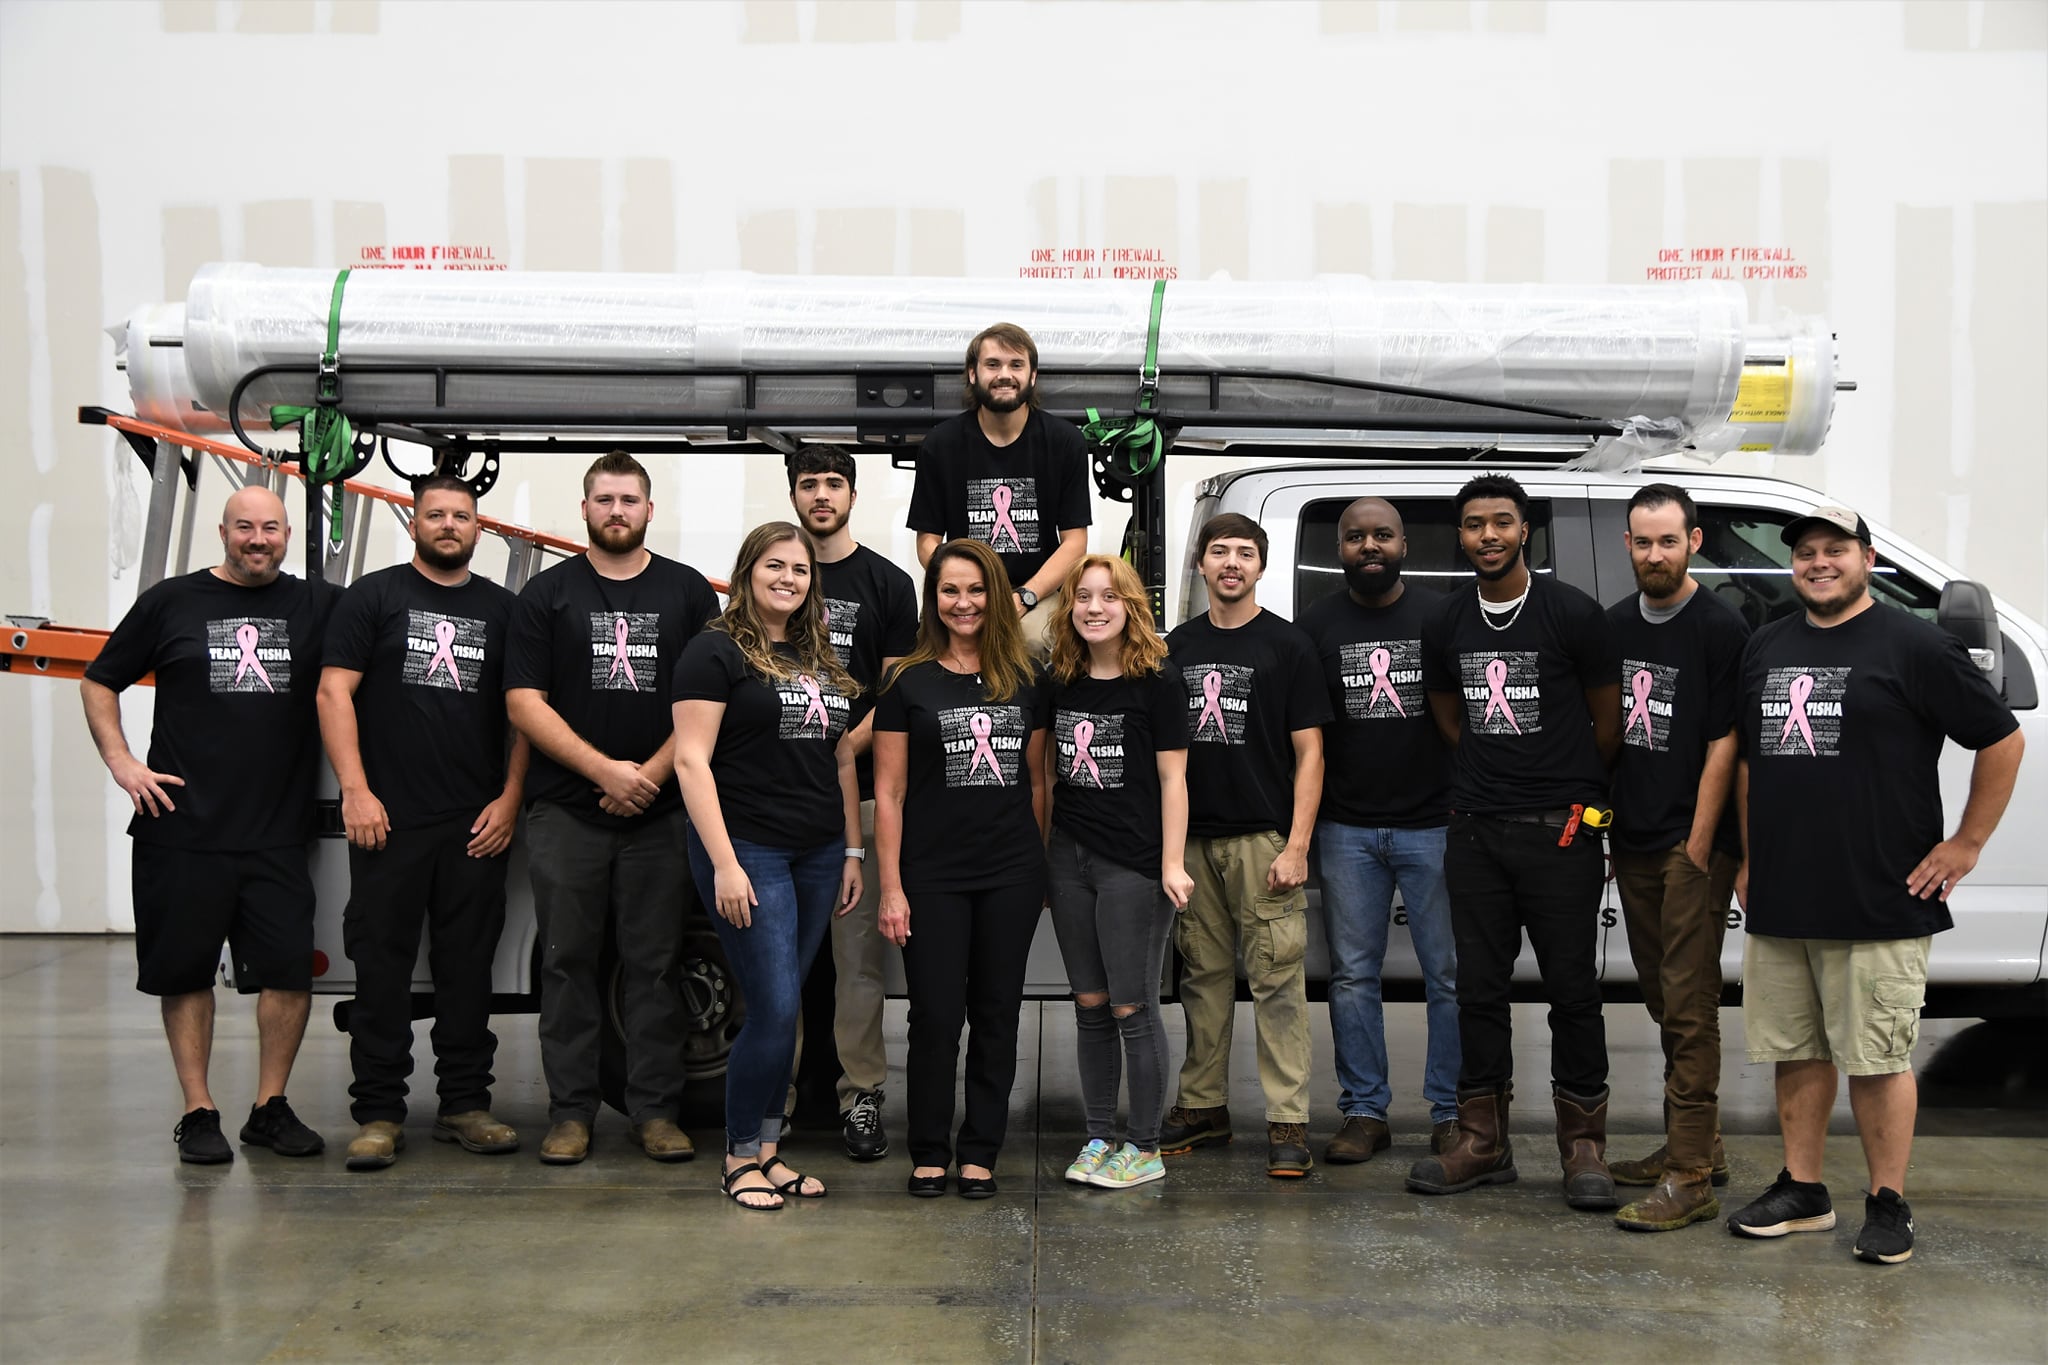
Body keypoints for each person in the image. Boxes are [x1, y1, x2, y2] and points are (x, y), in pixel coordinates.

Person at [1726, 506, 2022, 1265]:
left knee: (1879, 1055)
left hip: (1882, 893)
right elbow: (1756, 766)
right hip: (1785, 892)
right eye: (1806, 552)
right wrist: (1753, 859)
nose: (1819, 562)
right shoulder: (1767, 645)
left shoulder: (1915, 644)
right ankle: (1803, 1188)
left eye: (1835, 550)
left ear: (1865, 559)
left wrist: (1967, 842)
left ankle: (1889, 1201)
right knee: (1795, 1047)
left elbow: (2002, 737)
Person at [80, 486, 340, 1164]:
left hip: (277, 832)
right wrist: (121, 761)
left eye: (271, 528)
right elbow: (99, 679)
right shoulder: (172, 601)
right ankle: (198, 1110)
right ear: (223, 531)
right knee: (185, 973)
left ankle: (269, 1106)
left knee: (289, 973)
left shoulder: (316, 603)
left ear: (287, 534)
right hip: (181, 828)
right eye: (245, 527)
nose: (259, 538)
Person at [1407, 473, 1621, 1210]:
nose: (1488, 535)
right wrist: (1488, 773)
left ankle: (1583, 1145)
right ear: (1460, 535)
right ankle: (1481, 1140)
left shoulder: (1572, 613)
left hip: (1560, 830)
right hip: (1473, 829)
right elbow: (1446, 710)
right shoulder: (1446, 621)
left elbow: (1609, 722)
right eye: (1473, 524)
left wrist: (1559, 784)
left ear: (1524, 529)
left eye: (1501, 521)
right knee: (1479, 988)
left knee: (1574, 988)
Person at [505, 452, 719, 1166]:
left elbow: (707, 703)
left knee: (654, 964)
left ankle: (655, 1112)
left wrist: (648, 777)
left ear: (650, 510)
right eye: (605, 498)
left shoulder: (688, 593)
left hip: (660, 814)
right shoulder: (547, 594)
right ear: (586, 508)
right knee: (567, 963)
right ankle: (570, 1112)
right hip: (566, 812)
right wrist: (603, 770)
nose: (617, 509)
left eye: (630, 498)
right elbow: (523, 702)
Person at [317, 476, 530, 1171]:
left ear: (478, 526)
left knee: (468, 971)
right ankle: (379, 1114)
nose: (448, 524)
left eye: (460, 515)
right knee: (379, 971)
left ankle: (466, 1105)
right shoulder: (372, 597)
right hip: (388, 822)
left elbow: (526, 712)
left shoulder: (505, 610)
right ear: (413, 523)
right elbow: (333, 691)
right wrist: (355, 790)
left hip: (475, 825)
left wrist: (510, 798)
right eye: (435, 514)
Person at [674, 522, 864, 1211]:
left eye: (801, 570)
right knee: (776, 1004)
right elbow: (690, 760)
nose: (789, 578)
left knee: (786, 1010)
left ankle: (769, 1151)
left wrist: (850, 849)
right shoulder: (714, 650)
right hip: (748, 849)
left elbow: (840, 756)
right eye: (775, 566)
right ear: (747, 570)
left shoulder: (817, 654)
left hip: (816, 851)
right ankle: (737, 1156)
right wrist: (725, 864)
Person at [874, 539, 1050, 1199]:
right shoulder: (906, 681)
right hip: (931, 875)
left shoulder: (1027, 676)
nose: (965, 602)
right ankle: (929, 1149)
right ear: (934, 598)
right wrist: (892, 885)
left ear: (994, 594)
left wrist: (1040, 864)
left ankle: (979, 1150)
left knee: (998, 1011)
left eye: (976, 589)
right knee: (937, 1015)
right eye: (950, 590)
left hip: (1010, 872)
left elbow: (1037, 782)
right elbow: (888, 793)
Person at [1159, 514, 1330, 1179]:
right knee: (1200, 978)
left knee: (1278, 980)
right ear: (1200, 564)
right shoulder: (1175, 646)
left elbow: (1310, 752)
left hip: (1263, 839)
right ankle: (1204, 1106)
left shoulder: (1288, 646)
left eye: (1245, 553)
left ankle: (1288, 1119)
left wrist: (1297, 845)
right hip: (1194, 840)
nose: (1231, 562)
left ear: (1260, 566)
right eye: (1219, 551)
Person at [1601, 484, 1750, 1231]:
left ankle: (1689, 1177)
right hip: (1631, 837)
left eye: (1667, 540)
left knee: (1689, 1007)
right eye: (1640, 541)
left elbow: (1727, 739)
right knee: (1665, 995)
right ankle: (1702, 1144)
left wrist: (1699, 842)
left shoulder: (1720, 627)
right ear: (1626, 544)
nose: (1653, 554)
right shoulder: (1617, 623)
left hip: (1691, 845)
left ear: (1693, 540)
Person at [1297, 497, 1458, 1166]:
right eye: (1356, 535)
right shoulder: (1316, 627)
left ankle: (1453, 1112)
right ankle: (1365, 1111)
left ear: (1403, 545)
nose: (1370, 544)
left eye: (1382, 534)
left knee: (1449, 976)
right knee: (1352, 976)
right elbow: (1304, 739)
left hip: (1436, 823)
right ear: (1340, 548)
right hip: (1346, 827)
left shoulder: (1440, 617)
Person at [1045, 554, 1193, 1192]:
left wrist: (1171, 863)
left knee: (1134, 1006)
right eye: (1083, 597)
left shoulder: (1158, 681)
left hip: (1132, 865)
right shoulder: (1060, 681)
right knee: (1090, 1004)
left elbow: (1174, 778)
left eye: (1109, 597)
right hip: (1068, 859)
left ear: (1132, 607)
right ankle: (1100, 1136)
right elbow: (1046, 774)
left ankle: (1146, 1145)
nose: (1095, 607)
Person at [787, 447, 917, 1162]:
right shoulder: (770, 573)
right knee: (779, 964)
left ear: (853, 494)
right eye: (808, 484)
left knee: (857, 964)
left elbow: (894, 692)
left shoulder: (889, 584)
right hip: (779, 803)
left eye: (833, 483)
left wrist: (839, 745)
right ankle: (770, 1098)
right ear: (795, 495)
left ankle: (860, 1096)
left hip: (861, 799)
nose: (821, 495)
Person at [907, 321, 1091, 658]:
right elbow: (927, 542)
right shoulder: (940, 444)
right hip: (964, 591)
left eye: (1016, 365)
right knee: (933, 651)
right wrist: (965, 591)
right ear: (973, 374)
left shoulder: (1065, 442)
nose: (1004, 374)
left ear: (1032, 376)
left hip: (1036, 591)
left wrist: (1024, 597)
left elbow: (1075, 542)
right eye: (993, 365)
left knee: (1031, 642)